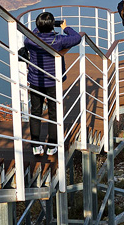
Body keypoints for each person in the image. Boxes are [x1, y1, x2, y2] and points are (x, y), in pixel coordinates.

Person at [24, 11, 82, 156]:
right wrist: (65, 28)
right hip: (52, 82)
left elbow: (33, 33)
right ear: (52, 26)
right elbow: (77, 38)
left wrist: (41, 28)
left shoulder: (29, 40)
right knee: (54, 113)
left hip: (35, 81)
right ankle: (51, 147)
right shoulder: (59, 41)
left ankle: (36, 146)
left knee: (36, 112)